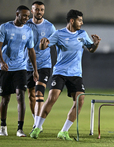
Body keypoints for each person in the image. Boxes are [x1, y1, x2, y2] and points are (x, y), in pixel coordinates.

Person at [30, 9, 101, 140]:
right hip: (60, 72)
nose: (82, 22)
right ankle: (37, 127)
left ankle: (63, 131)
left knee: (80, 101)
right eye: (80, 20)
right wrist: (42, 44)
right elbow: (45, 46)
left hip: (76, 74)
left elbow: (90, 49)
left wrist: (95, 44)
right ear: (72, 21)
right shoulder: (59, 34)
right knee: (52, 98)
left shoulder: (82, 34)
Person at [0, 5, 39, 137]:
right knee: (6, 99)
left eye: (28, 16)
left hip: (21, 67)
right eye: (24, 15)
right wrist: (2, 62)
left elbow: (31, 50)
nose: (26, 18)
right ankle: (3, 126)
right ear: (17, 14)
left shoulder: (28, 31)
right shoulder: (5, 27)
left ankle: (20, 129)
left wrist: (35, 70)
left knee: (21, 95)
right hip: (5, 68)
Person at [25, 1, 56, 133]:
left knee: (39, 94)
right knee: (31, 95)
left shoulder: (50, 27)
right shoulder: (26, 25)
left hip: (44, 64)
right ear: (32, 11)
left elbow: (56, 41)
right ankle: (35, 121)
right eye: (37, 9)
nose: (40, 12)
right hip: (28, 65)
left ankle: (37, 125)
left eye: (42, 10)